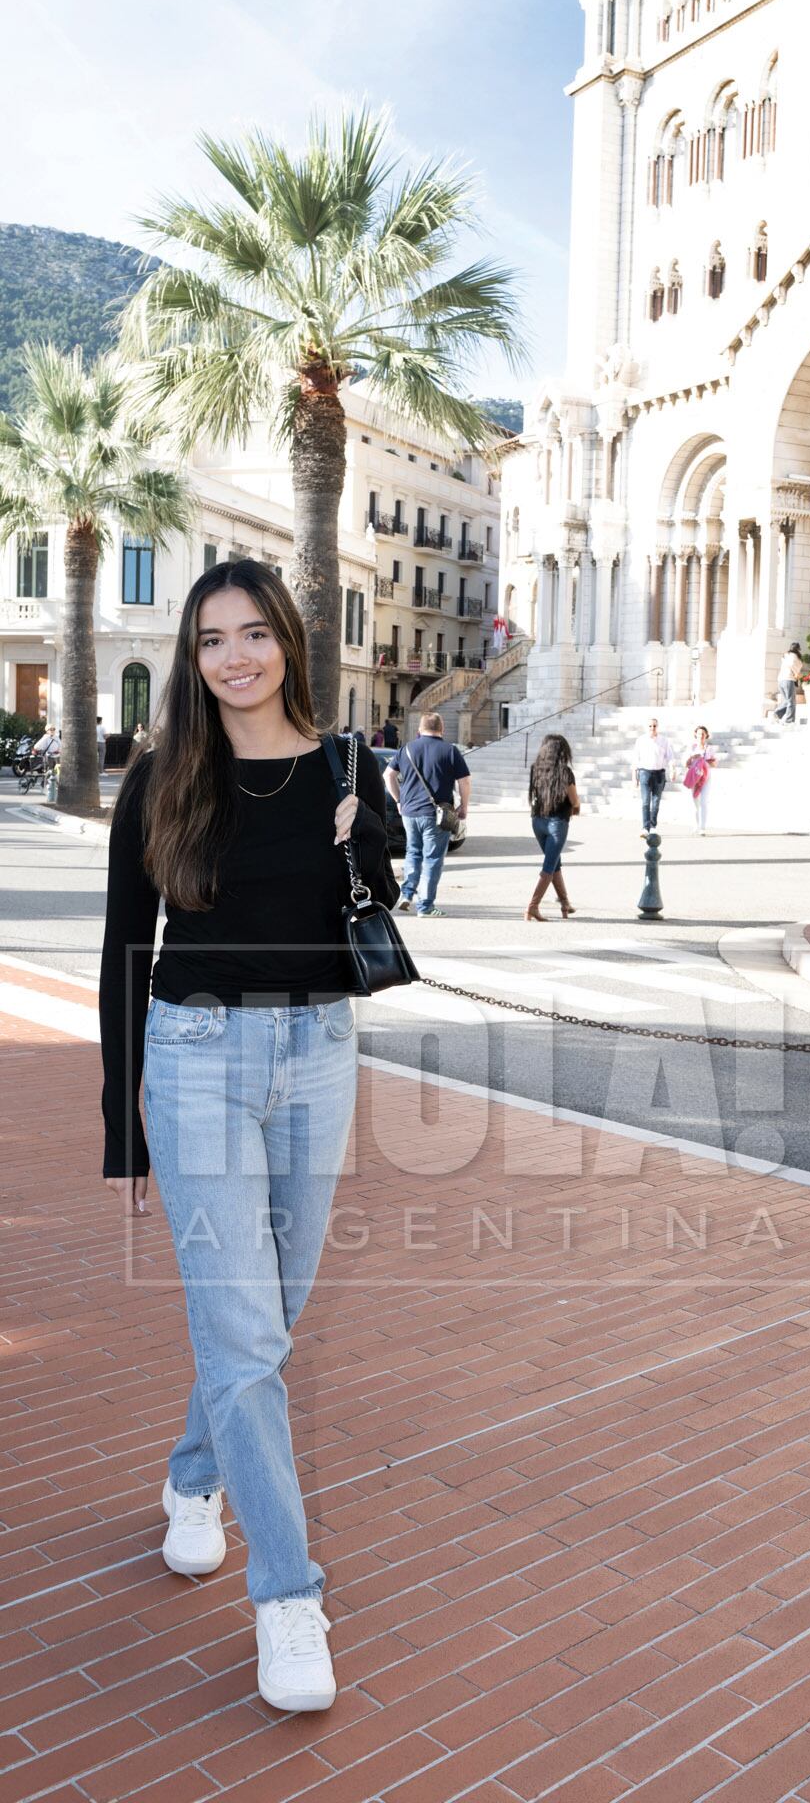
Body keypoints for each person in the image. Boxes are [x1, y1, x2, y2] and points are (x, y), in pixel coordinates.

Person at [98, 557, 398, 1715]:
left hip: (319, 1055)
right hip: (194, 1063)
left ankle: (191, 1480)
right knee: (243, 1332)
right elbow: (128, 945)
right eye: (214, 637)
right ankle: (287, 1594)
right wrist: (125, 1136)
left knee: (264, 1324)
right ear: (194, 653)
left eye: (255, 632)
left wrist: (363, 830)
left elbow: (370, 908)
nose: (236, 655)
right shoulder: (164, 775)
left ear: (287, 643)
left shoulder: (343, 762)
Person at [385, 714, 470, 919]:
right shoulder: (450, 750)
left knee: (413, 852)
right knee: (432, 858)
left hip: (409, 812)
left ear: (419, 730)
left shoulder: (406, 749)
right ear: (442, 729)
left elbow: (388, 775)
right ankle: (425, 906)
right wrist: (463, 807)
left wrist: (398, 800)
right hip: (436, 814)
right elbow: (464, 782)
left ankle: (407, 893)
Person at [527, 734, 579, 919]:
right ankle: (533, 906)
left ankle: (565, 904)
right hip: (557, 823)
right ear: (563, 752)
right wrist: (577, 808)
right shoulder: (565, 773)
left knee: (555, 862)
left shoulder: (536, 769)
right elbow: (574, 800)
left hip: (538, 821)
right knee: (549, 865)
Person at [632, 716, 674, 837]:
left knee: (656, 802)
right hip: (644, 773)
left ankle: (653, 826)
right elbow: (635, 759)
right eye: (650, 726)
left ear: (657, 727)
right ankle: (645, 827)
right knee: (645, 802)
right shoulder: (640, 740)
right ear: (647, 727)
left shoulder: (664, 740)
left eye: (654, 726)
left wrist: (672, 769)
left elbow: (670, 756)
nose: (652, 728)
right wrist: (634, 777)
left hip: (659, 774)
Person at [683, 726, 719, 835]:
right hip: (694, 777)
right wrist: (693, 758)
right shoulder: (692, 748)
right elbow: (686, 764)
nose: (701, 736)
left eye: (703, 734)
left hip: (706, 778)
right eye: (699, 733)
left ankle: (703, 827)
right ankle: (696, 825)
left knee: (703, 802)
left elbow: (714, 764)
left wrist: (706, 760)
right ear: (696, 735)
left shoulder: (709, 749)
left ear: (706, 735)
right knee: (695, 803)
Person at [775, 643, 803, 725]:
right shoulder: (793, 656)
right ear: (798, 649)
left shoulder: (785, 655)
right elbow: (793, 665)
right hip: (788, 680)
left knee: (787, 701)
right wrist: (796, 672)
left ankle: (777, 714)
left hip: (781, 680)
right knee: (791, 701)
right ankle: (789, 720)